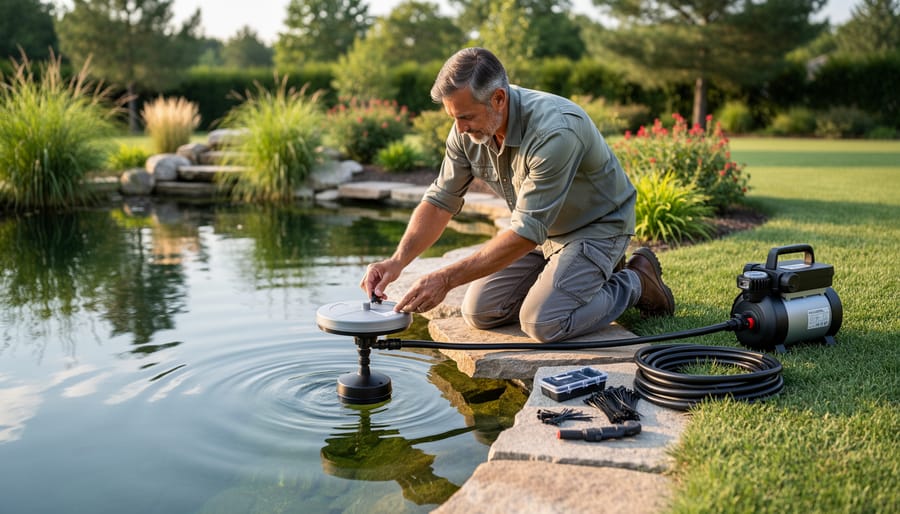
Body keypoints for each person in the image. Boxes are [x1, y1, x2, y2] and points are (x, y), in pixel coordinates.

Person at [360, 47, 674, 343]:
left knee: (543, 322)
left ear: (498, 98)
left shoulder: (555, 131)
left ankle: (635, 281)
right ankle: (571, 280)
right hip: (541, 231)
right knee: (480, 312)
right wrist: (397, 261)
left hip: (596, 228)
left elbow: (524, 234)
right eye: (453, 118)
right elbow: (441, 200)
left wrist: (445, 278)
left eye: (466, 117)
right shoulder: (466, 130)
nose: (460, 128)